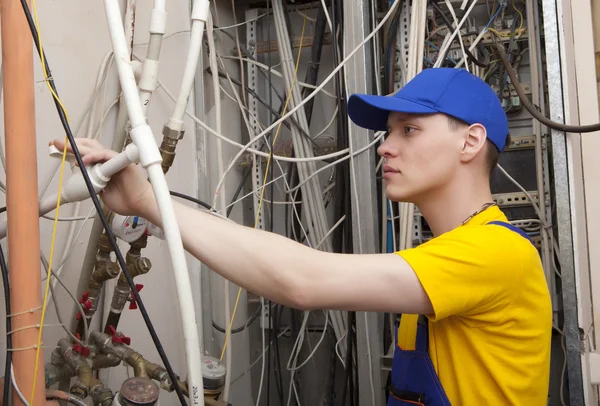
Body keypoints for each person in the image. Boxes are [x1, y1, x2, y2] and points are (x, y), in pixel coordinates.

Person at [52, 67, 552, 405]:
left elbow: (302, 280)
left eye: (408, 130)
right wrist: (150, 201)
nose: (385, 148)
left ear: (471, 140)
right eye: (387, 133)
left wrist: (148, 202)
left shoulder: (496, 253)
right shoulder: (444, 253)